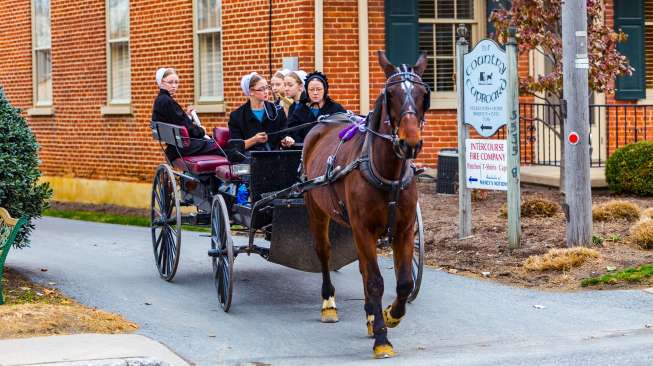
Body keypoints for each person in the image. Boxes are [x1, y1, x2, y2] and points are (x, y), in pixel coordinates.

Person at [151, 68, 221, 162]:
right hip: (181, 148)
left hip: (175, 146)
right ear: (161, 83)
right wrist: (201, 131)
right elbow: (184, 124)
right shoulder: (167, 101)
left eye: (176, 82)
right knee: (218, 145)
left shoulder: (160, 100)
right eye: (170, 82)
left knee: (212, 141)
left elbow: (177, 120)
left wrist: (187, 116)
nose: (174, 86)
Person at [228, 72, 294, 153]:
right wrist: (254, 140)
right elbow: (235, 146)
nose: (266, 91)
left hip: (274, 159)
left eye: (267, 87)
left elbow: (284, 134)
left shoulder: (277, 110)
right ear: (251, 91)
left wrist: (286, 140)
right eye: (262, 89)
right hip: (248, 161)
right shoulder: (237, 116)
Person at [287, 71, 346, 143]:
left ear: (325, 90)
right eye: (311, 89)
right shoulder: (299, 111)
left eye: (319, 89)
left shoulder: (336, 109)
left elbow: (345, 129)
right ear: (307, 91)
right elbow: (291, 132)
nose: (315, 93)